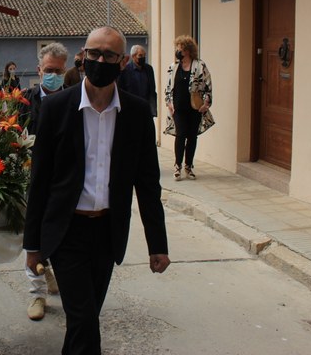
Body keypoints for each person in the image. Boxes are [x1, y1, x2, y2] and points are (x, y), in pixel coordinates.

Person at [23, 26, 170, 354]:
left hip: (108, 231)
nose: (99, 60)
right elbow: (41, 181)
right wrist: (33, 246)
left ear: (121, 63)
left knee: (83, 319)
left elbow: (147, 185)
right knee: (85, 318)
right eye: (93, 53)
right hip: (67, 231)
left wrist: (157, 244)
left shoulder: (136, 114)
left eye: (108, 55)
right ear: (83, 57)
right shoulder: (57, 108)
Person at [18, 42, 69, 321]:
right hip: (31, 179)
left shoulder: (75, 101)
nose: (53, 75)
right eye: (49, 70)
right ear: (39, 70)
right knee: (33, 238)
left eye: (59, 71)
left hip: (63, 183)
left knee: (61, 236)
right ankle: (36, 295)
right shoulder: (25, 100)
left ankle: (53, 274)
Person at [164, 35, 214, 181]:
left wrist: (206, 104)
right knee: (180, 135)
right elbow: (168, 88)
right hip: (178, 108)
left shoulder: (200, 66)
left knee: (192, 137)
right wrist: (169, 103)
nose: (178, 51)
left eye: (181, 48)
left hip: (194, 108)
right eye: (177, 48)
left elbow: (207, 86)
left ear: (188, 50)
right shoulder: (173, 67)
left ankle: (188, 166)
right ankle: (177, 166)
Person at [118, 44, 158, 117]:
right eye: (140, 55)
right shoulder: (125, 70)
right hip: (131, 109)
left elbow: (152, 89)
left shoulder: (149, 69)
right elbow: (121, 89)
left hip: (146, 108)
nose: (143, 57)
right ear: (133, 56)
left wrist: (153, 109)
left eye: (144, 55)